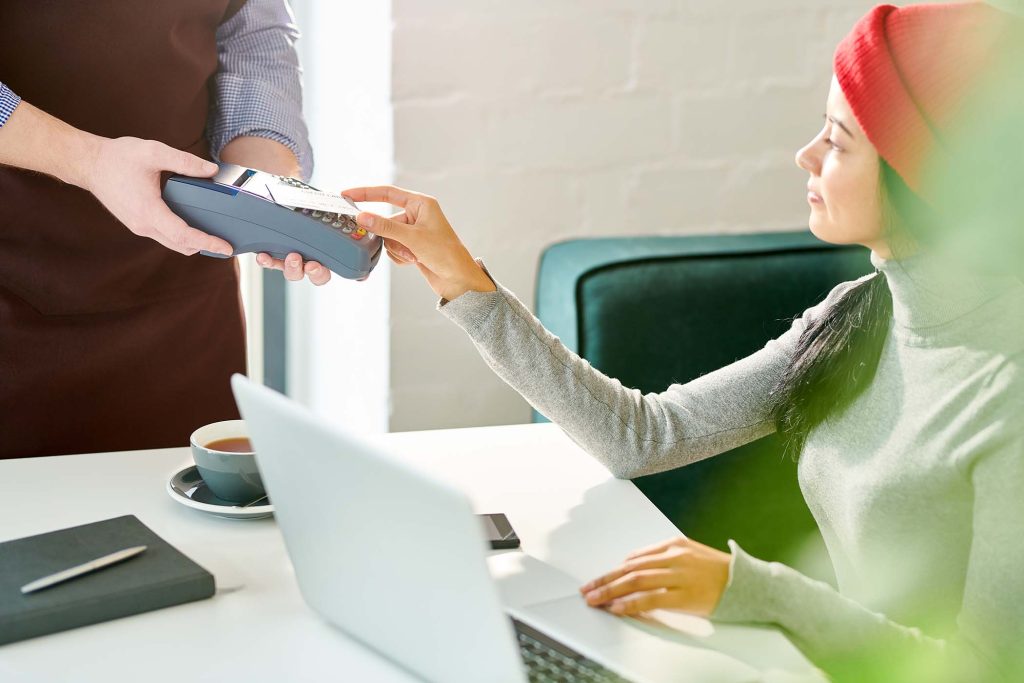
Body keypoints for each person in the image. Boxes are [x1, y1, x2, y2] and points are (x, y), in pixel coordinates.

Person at [345, 3, 1024, 679]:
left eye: (838, 140)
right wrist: (461, 279)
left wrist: (756, 591)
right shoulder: (862, 311)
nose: (805, 154)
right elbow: (643, 433)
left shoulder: (1007, 389)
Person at [0, 0, 326, 459]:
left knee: (199, 508)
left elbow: (253, 30)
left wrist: (263, 180)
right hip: (14, 287)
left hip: (186, 285)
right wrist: (89, 161)